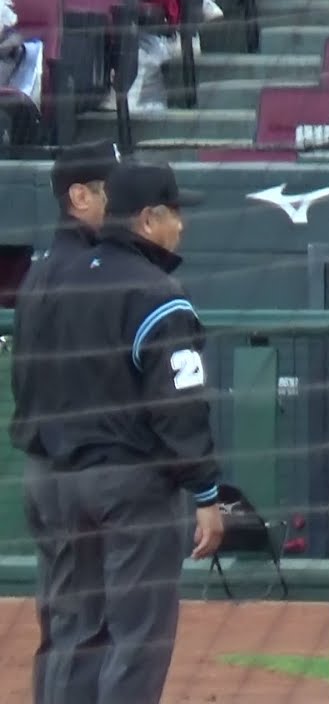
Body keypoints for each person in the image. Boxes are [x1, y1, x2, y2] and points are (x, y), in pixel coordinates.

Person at [16, 159, 226, 704]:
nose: (181, 225)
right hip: (130, 485)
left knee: (74, 632)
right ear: (147, 220)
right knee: (137, 638)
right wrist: (206, 491)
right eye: (174, 213)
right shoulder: (156, 292)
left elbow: (27, 381)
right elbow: (179, 407)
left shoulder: (54, 278)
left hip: (55, 477)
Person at [10, 140, 119, 704]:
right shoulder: (92, 274)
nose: (119, 203)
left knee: (61, 619)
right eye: (109, 191)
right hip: (78, 466)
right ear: (79, 196)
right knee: (86, 622)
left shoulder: (39, 274)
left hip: (42, 467)